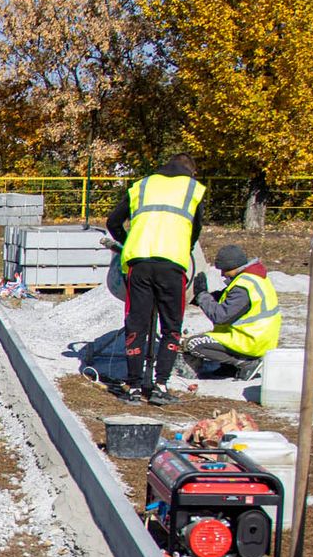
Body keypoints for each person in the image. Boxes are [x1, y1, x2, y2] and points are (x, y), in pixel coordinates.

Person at [105, 152, 205, 406]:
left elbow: (113, 221)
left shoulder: (142, 186)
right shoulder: (192, 189)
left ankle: (134, 387)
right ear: (191, 171)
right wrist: (185, 246)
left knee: (136, 325)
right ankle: (160, 385)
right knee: (171, 327)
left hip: (139, 265)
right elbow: (195, 229)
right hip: (172, 266)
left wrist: (129, 242)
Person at [180, 244, 282, 381]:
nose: (222, 274)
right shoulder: (253, 277)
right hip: (259, 338)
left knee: (193, 344)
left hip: (250, 341)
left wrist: (202, 296)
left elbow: (220, 316)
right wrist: (202, 298)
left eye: (223, 270)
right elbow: (227, 300)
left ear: (232, 267)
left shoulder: (243, 286)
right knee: (216, 336)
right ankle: (231, 366)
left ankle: (246, 363)